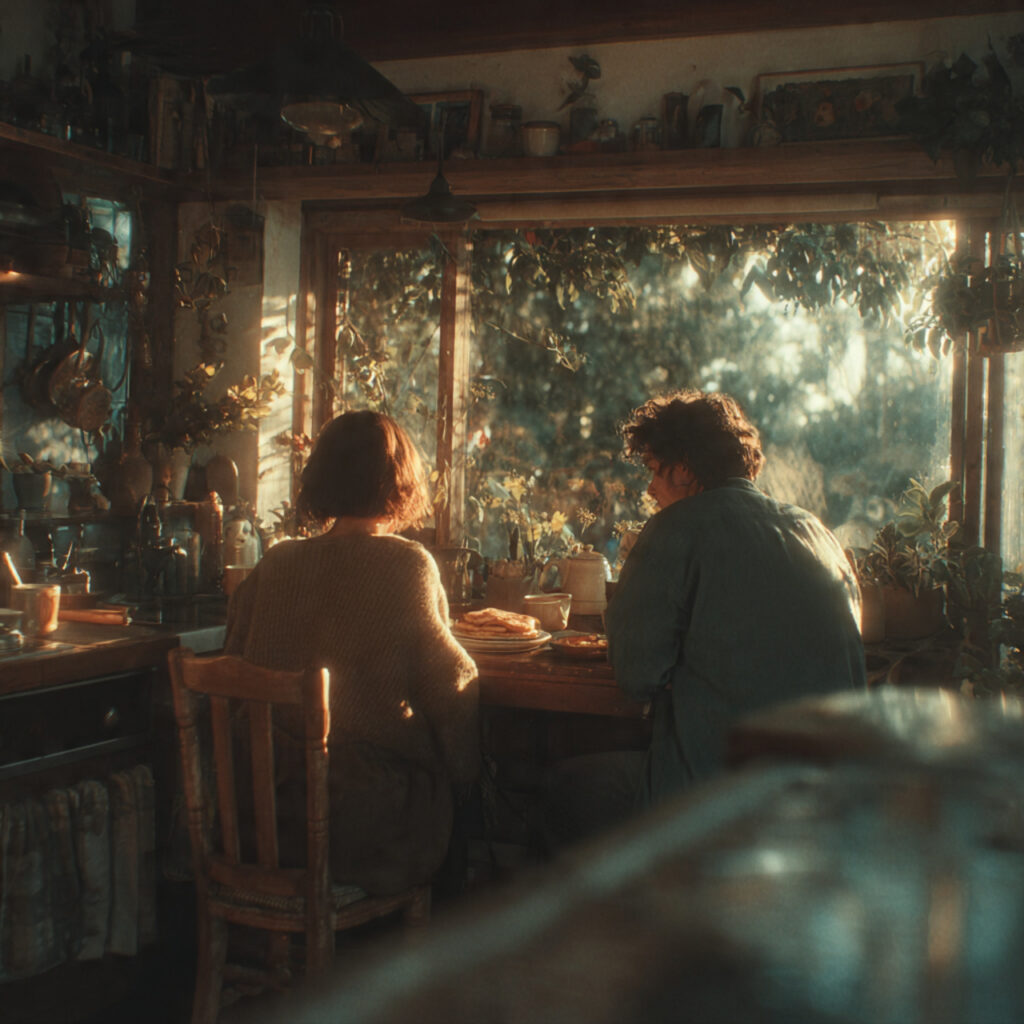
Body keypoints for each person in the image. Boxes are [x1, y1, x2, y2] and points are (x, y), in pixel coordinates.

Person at [544, 390, 864, 846]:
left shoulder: (679, 527)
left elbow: (636, 675)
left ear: (684, 468)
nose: (650, 489)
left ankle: (616, 915)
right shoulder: (817, 533)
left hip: (718, 805)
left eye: (655, 470)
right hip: (825, 812)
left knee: (569, 787)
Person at [224, 411, 479, 895]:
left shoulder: (277, 562)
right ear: (398, 483)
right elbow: (452, 690)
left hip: (265, 816)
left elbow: (233, 663)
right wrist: (469, 778)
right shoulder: (407, 565)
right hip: (359, 826)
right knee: (459, 805)